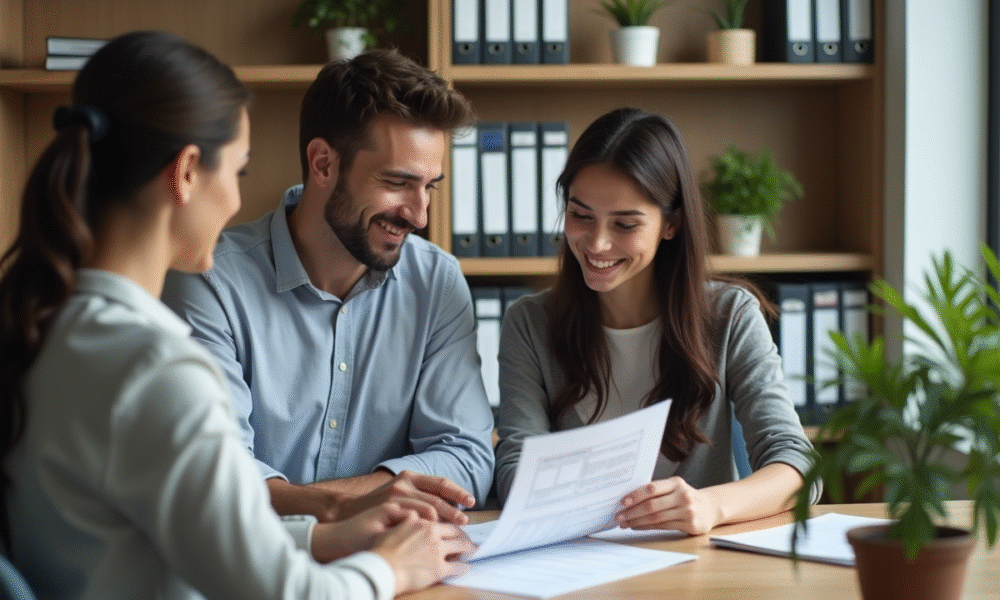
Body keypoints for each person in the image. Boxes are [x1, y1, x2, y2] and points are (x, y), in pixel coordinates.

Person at [0, 31, 473, 599]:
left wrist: (328, 537)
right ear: (187, 172)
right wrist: (393, 567)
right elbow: (287, 594)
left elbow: (173, 535)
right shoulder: (156, 367)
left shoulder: (49, 322)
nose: (237, 200)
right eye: (239, 172)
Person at [161, 48, 495, 523]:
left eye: (430, 187)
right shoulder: (211, 281)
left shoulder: (435, 282)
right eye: (397, 183)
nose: (419, 216)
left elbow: (467, 457)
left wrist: (323, 501)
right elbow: (217, 477)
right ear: (322, 164)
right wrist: (346, 505)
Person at [494, 107, 821, 535]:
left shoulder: (730, 316)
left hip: (695, 567)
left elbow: (796, 462)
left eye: (625, 224)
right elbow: (515, 467)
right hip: (577, 566)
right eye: (580, 215)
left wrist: (711, 505)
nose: (597, 243)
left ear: (672, 223)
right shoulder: (529, 324)